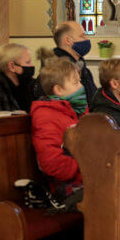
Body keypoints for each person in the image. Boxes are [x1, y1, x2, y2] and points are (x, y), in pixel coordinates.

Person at [30, 58, 88, 210]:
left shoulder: (77, 111)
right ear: (59, 90)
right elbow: (51, 162)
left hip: (86, 179)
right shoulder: (45, 115)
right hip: (66, 188)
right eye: (76, 83)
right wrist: (87, 168)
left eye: (80, 81)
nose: (81, 86)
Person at [52, 21, 97, 102]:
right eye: (82, 36)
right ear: (68, 40)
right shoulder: (57, 70)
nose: (87, 39)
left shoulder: (82, 66)